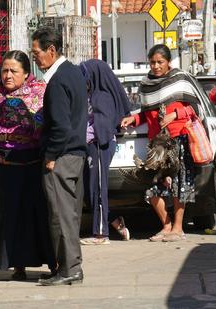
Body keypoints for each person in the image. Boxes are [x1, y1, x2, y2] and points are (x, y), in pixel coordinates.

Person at [120, 44, 199, 243]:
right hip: (157, 145)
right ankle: (166, 225)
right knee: (152, 188)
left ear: (168, 62)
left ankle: (178, 228)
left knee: (179, 186)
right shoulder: (146, 84)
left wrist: (175, 114)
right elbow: (148, 113)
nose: (155, 66)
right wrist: (135, 120)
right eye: (152, 62)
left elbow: (194, 109)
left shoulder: (179, 79)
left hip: (179, 138)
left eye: (160, 62)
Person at [0, 50, 55, 280]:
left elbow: (46, 126)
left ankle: (52, 263)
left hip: (33, 164)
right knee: (11, 215)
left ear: (26, 73)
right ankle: (17, 265)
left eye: (13, 71)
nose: (7, 75)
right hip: (4, 167)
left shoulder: (39, 93)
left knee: (37, 214)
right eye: (4, 70)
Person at [31, 27, 87, 286]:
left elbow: (61, 126)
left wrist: (51, 155)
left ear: (51, 51)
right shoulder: (74, 73)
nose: (35, 59)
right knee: (69, 214)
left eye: (37, 53)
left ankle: (70, 269)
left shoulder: (58, 81)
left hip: (62, 157)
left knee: (61, 215)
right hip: (75, 155)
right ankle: (68, 266)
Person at [78, 59, 131, 245]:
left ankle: (101, 234)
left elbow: (104, 124)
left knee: (98, 189)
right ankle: (115, 221)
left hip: (100, 146)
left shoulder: (103, 97)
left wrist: (87, 135)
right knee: (89, 191)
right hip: (90, 147)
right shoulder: (91, 94)